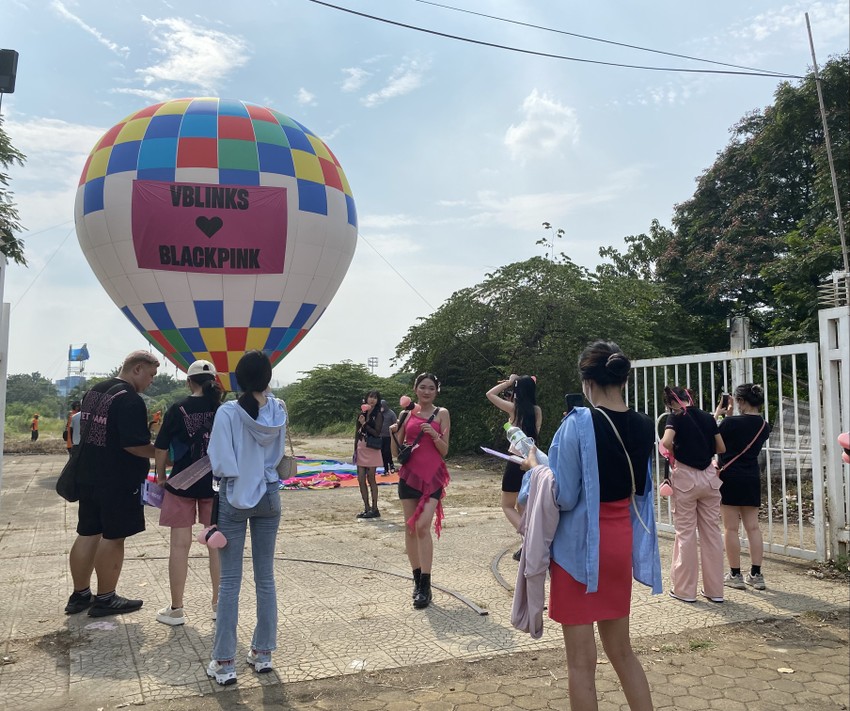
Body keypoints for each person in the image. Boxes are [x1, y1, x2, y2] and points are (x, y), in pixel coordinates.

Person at [521, 340, 661, 711]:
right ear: (622, 379)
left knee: (581, 665)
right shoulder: (646, 424)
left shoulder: (578, 423)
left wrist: (535, 468)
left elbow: (564, 495)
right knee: (623, 653)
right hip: (619, 544)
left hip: (578, 552)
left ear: (587, 382)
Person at [206, 350, 286, 686]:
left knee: (229, 583)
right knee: (265, 578)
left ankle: (225, 663)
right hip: (269, 494)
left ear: (238, 378)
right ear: (267, 377)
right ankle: (262, 653)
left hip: (235, 495)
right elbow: (278, 451)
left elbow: (221, 460)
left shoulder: (227, 412)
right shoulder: (278, 408)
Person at [64, 350, 160, 617]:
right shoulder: (130, 400)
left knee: (88, 532)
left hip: (88, 474)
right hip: (117, 479)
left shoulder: (94, 392)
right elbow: (134, 445)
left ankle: (80, 595)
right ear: (137, 369)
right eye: (151, 375)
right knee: (114, 536)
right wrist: (162, 453)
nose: (151, 381)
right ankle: (106, 597)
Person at [154, 360, 224, 626]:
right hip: (215, 485)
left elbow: (161, 447)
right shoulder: (221, 409)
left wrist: (161, 476)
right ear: (214, 381)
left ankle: (176, 609)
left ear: (188, 382)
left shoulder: (176, 408)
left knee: (179, 547)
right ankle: (218, 605)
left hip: (181, 483)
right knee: (216, 547)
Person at [390, 373, 451, 609]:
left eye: (431, 388)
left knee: (423, 526)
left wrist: (434, 434)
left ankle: (426, 584)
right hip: (409, 476)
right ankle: (417, 581)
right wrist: (393, 433)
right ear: (415, 389)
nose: (427, 392)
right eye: (422, 387)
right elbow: (396, 453)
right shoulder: (406, 414)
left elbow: (445, 450)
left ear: (437, 391)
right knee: (410, 527)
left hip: (433, 476)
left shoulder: (442, 413)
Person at [661, 385, 726, 603]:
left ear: (671, 402)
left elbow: (666, 442)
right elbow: (721, 447)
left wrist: (674, 451)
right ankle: (715, 591)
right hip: (709, 476)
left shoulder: (675, 417)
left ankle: (685, 590)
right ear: (690, 398)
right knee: (712, 534)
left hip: (686, 478)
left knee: (686, 534)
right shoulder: (708, 417)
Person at [715, 384, 772, 591]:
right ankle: (756, 574)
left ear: (740, 401)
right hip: (751, 477)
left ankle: (735, 574)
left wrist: (719, 415)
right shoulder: (764, 426)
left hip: (729, 477)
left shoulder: (728, 423)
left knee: (731, 528)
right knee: (753, 527)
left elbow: (713, 440)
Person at [486, 373, 542, 560]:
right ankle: (526, 544)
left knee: (507, 505)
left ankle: (531, 537)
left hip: (515, 460)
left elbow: (490, 394)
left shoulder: (514, 409)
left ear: (517, 391)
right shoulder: (537, 410)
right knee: (522, 504)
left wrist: (509, 383)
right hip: (532, 460)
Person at [355, 390, 384, 519]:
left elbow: (377, 432)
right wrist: (355, 449)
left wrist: (364, 424)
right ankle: (366, 508)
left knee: (371, 478)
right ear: (366, 399)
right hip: (361, 447)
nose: (372, 400)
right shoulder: (361, 413)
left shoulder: (378, 414)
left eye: (375, 398)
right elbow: (357, 433)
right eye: (370, 397)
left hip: (372, 448)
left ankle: (375, 508)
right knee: (361, 479)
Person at [380, 400, 397, 474]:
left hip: (388, 436)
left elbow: (396, 424)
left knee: (387, 451)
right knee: (382, 452)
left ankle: (391, 465)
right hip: (380, 436)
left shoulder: (391, 413)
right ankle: (385, 468)